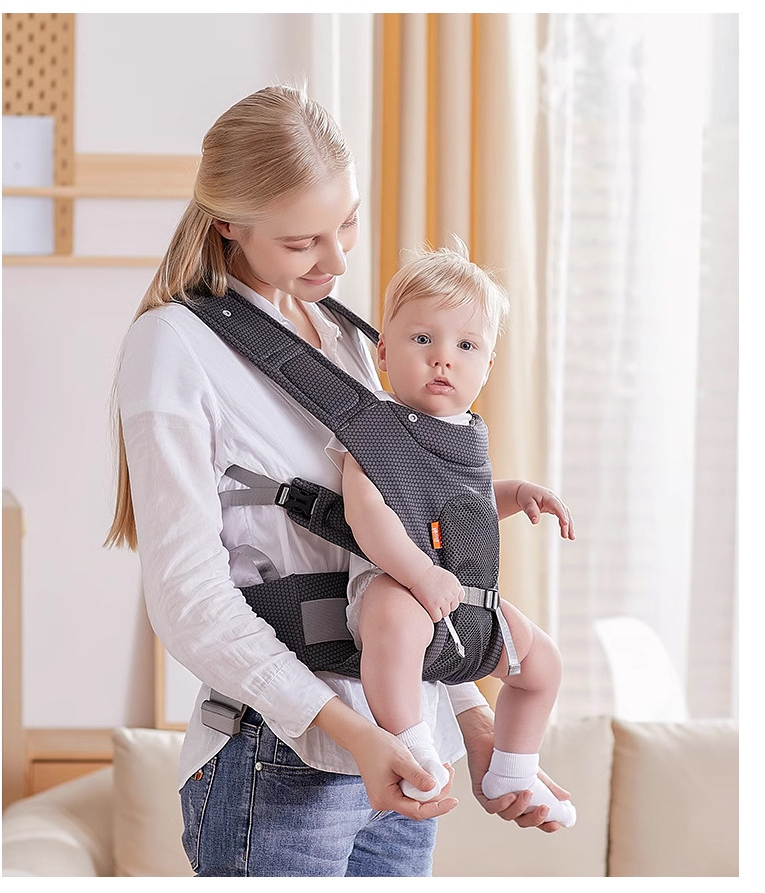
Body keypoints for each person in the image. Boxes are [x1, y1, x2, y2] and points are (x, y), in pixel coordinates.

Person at [106, 84, 570, 879]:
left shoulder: (354, 341)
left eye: (347, 223)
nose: (339, 260)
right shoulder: (173, 347)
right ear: (229, 224)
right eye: (302, 242)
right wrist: (354, 735)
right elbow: (190, 604)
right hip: (278, 761)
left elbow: (401, 565)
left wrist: (472, 721)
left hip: (399, 756)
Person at [328, 240, 576, 826]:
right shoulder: (375, 428)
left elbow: (464, 509)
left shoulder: (468, 433)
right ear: (383, 353)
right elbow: (367, 514)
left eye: (466, 346)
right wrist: (419, 574)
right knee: (397, 621)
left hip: (468, 601)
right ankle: (412, 743)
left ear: (487, 366)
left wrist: (517, 494)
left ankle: (514, 766)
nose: (443, 359)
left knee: (542, 663)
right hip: (394, 584)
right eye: (423, 339)